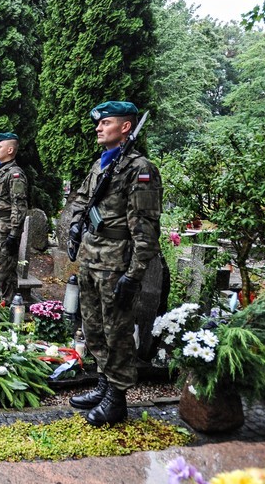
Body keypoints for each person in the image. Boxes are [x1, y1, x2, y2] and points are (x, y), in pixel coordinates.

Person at [67, 101, 163, 427]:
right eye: (99, 123)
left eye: (106, 122)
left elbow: (145, 229)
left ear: (125, 127)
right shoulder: (102, 163)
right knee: (93, 328)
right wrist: (75, 229)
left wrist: (134, 275)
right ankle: (104, 384)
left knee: (117, 332)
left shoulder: (140, 169)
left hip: (116, 264)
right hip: (91, 258)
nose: (98, 128)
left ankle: (117, 399)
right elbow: (82, 200)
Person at [0, 132, 28, 306]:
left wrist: (14, 233)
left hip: (5, 228)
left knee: (6, 273)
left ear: (10, 150)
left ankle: (9, 307)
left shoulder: (15, 174)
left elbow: (19, 205)